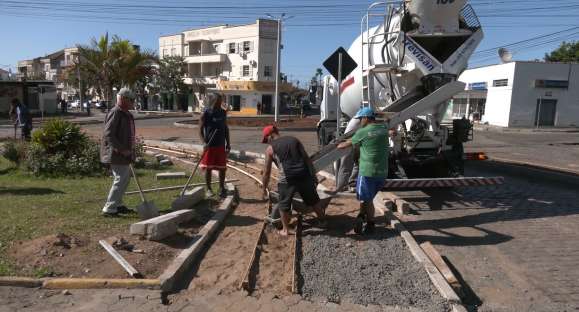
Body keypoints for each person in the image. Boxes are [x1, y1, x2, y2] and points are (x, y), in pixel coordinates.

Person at [261, 125, 327, 236]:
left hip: (287, 179)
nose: (267, 142)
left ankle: (285, 230)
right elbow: (306, 159)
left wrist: (264, 188)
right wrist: (313, 176)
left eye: (266, 139)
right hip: (304, 175)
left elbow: (266, 172)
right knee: (314, 200)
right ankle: (323, 221)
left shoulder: (270, 149)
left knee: (284, 204)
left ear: (270, 136)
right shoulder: (294, 140)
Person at [337, 107, 389, 235]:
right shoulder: (383, 129)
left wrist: (338, 144)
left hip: (367, 172)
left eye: (361, 119)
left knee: (367, 199)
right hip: (382, 173)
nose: (360, 121)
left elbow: (344, 145)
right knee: (366, 197)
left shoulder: (362, 132)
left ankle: (370, 224)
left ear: (366, 118)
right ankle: (361, 215)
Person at [100, 88, 137, 217]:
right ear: (122, 99)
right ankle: (109, 208)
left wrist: (130, 150)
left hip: (124, 152)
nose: (133, 102)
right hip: (116, 153)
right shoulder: (116, 112)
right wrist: (122, 150)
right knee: (121, 178)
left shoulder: (126, 113)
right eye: (131, 99)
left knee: (124, 179)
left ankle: (118, 204)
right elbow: (109, 135)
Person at [199, 93, 231, 198]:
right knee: (208, 168)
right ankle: (208, 189)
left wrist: (228, 143)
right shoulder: (206, 114)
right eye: (219, 100)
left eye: (221, 100)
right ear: (213, 100)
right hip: (210, 145)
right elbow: (200, 130)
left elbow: (226, 128)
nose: (220, 102)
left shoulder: (223, 113)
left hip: (221, 145)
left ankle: (222, 188)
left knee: (222, 168)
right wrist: (204, 143)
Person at [335, 117, 361, 192]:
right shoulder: (358, 120)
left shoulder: (356, 119)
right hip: (348, 144)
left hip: (352, 143)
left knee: (357, 164)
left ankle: (352, 183)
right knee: (346, 166)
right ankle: (341, 187)